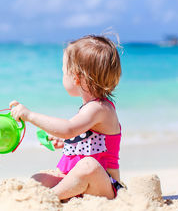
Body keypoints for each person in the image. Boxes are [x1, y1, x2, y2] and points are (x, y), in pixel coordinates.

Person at [9, 35, 124, 200]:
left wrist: (30, 116)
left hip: (105, 185)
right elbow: (84, 139)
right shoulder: (89, 109)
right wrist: (66, 143)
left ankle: (51, 197)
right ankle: (59, 193)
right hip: (83, 184)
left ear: (76, 77)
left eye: (63, 72)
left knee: (88, 166)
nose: (62, 76)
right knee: (38, 179)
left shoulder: (100, 109)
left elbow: (68, 129)